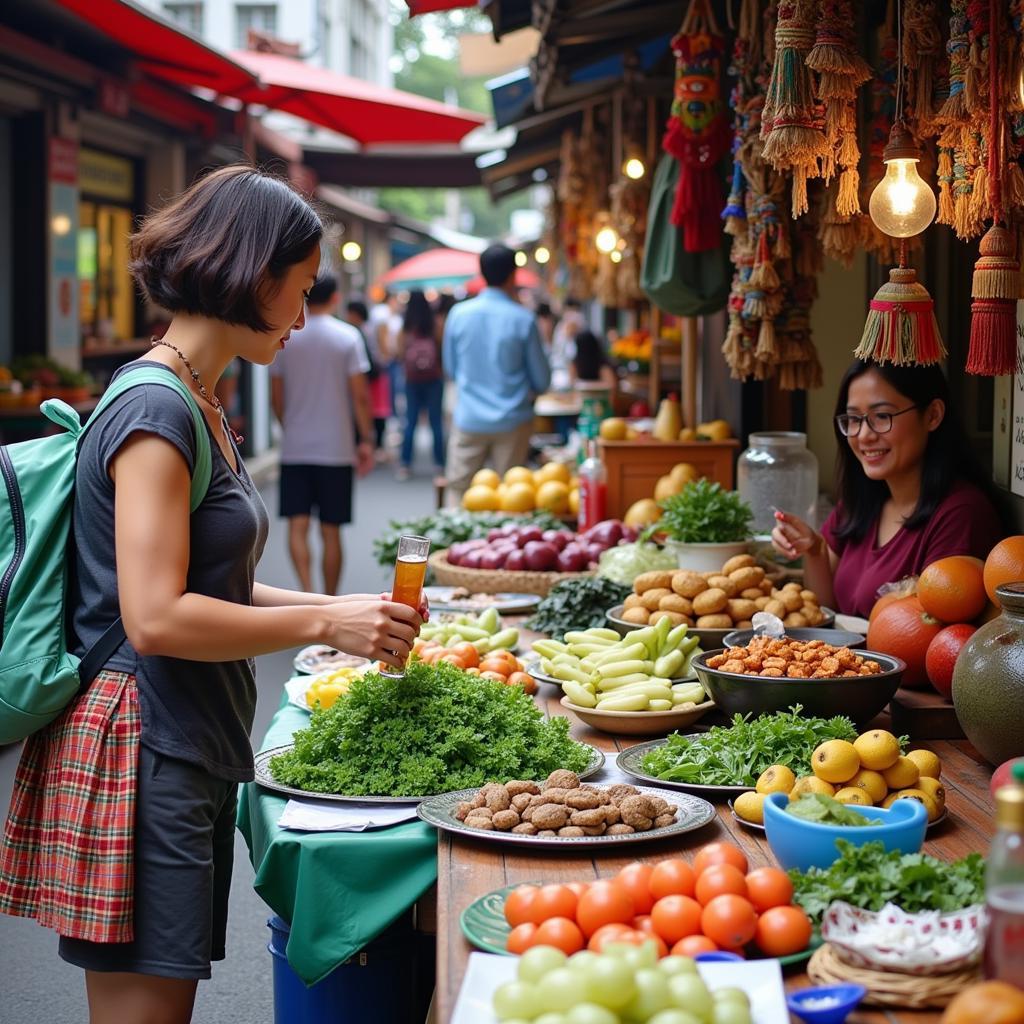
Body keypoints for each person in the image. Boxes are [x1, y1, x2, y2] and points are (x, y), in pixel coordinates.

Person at [0, 166, 425, 1024]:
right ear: (254, 272)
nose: (304, 318)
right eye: (300, 292)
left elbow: (210, 583)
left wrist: (336, 615)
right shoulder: (157, 411)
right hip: (141, 748)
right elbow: (153, 616)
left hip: (176, 741)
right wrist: (323, 617)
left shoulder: (197, 398)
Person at [771, 359, 1005, 618]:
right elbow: (825, 611)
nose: (863, 435)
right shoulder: (859, 502)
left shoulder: (961, 514)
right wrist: (814, 550)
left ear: (932, 415)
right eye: (853, 419)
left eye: (882, 416)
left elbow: (928, 635)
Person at [271, 272, 374, 594]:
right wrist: (366, 438)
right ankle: (328, 599)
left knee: (297, 525)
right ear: (335, 298)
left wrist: (289, 424)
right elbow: (359, 395)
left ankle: (305, 592)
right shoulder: (348, 337)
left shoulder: (287, 337)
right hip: (337, 447)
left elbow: (276, 394)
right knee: (332, 531)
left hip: (296, 446)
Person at [443, 243, 550, 499]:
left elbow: (451, 369)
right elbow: (542, 380)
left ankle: (458, 541)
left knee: (460, 494)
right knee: (511, 498)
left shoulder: (458, 314)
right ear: (514, 275)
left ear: (482, 273)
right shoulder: (523, 319)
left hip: (469, 417)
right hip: (513, 421)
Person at [396, 289, 445, 480]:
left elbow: (399, 353)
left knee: (410, 421)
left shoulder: (406, 326)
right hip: (434, 378)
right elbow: (441, 349)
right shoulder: (434, 324)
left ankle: (405, 464)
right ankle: (440, 464)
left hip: (412, 380)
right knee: (436, 423)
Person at [345, 298, 390, 458]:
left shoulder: (354, 333)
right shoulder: (368, 329)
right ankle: (376, 446)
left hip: (368, 378)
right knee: (378, 413)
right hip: (377, 376)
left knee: (369, 410)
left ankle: (368, 444)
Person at [549, 297, 584, 390]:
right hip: (563, 377)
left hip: (567, 376)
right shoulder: (563, 327)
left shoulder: (575, 326)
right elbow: (570, 355)